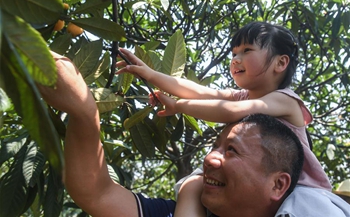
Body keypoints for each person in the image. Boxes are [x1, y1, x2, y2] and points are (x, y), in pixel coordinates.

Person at [38, 52, 350, 217]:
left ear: (279, 183)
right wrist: (84, 114)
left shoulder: (311, 207)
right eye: (216, 146)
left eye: (231, 150)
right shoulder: (194, 208)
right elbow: (98, 194)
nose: (209, 157)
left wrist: (179, 106)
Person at [116, 21, 332, 216]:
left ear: (280, 63)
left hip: (292, 190)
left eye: (247, 50)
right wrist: (149, 74)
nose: (236, 59)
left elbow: (230, 111)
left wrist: (178, 105)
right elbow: (197, 91)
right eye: (234, 53)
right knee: (191, 185)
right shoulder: (242, 95)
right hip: (252, 183)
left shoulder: (286, 100)